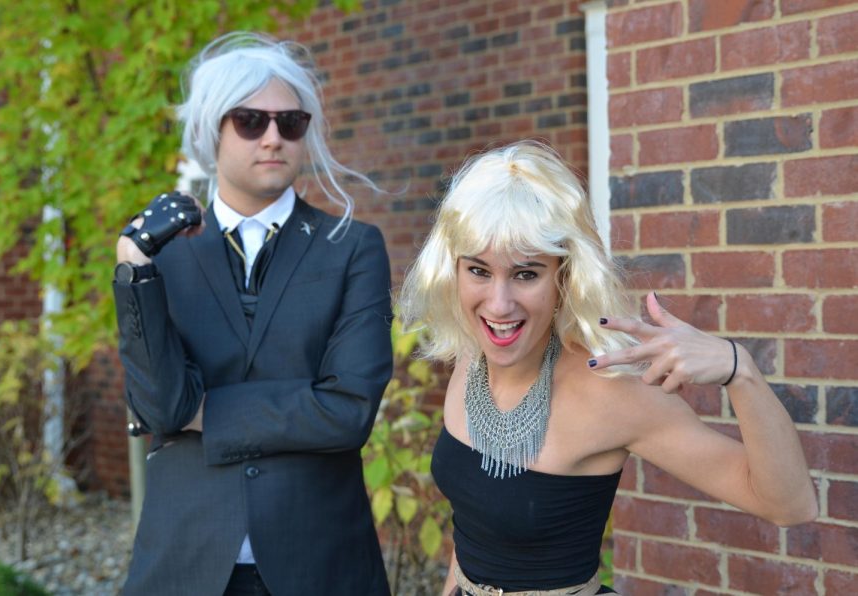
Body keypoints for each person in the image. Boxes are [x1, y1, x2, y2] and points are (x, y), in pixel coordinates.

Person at [398, 140, 817, 596]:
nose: (499, 304)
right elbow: (473, 530)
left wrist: (741, 372)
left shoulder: (611, 392)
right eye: (479, 271)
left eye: (526, 274)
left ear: (563, 276)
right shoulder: (470, 357)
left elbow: (789, 505)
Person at [113, 32, 392, 596]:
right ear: (211, 130)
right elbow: (161, 406)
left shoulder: (352, 247)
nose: (273, 138)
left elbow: (348, 411)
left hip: (321, 564)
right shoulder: (160, 255)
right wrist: (132, 266)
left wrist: (203, 413)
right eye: (250, 121)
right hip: (185, 562)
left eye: (290, 123)